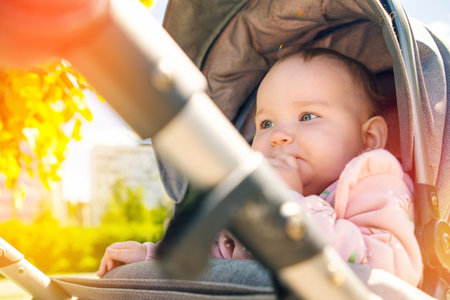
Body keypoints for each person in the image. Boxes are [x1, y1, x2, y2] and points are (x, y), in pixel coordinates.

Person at [97, 48, 423, 287]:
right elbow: (214, 253)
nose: (278, 136)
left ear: (368, 139)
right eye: (265, 122)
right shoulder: (248, 197)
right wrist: (153, 259)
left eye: (307, 116)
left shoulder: (374, 181)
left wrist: (284, 203)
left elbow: (389, 270)